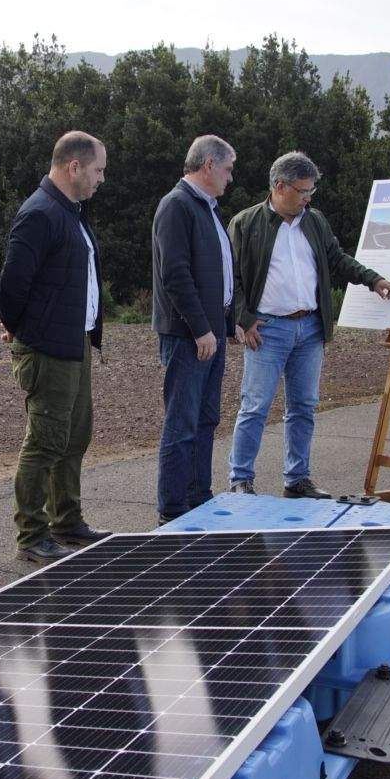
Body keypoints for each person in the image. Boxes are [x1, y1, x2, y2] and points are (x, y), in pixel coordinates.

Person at [227, 151, 390, 497]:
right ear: (280, 186)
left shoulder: (314, 221)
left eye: (311, 192)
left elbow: (337, 259)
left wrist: (373, 280)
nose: (307, 198)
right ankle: (240, 479)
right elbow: (232, 277)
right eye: (303, 191)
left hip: (309, 330)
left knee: (304, 406)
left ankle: (297, 479)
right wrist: (243, 319)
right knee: (256, 406)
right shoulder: (246, 223)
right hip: (267, 330)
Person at [0, 131, 113, 564]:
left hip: (74, 345)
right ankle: (31, 534)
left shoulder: (72, 212)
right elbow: (11, 288)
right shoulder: (40, 213)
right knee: (45, 441)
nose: (102, 179)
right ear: (74, 167)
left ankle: (67, 521)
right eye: (98, 170)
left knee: (73, 437)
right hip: (48, 348)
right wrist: (24, 331)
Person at [151, 134, 238, 524]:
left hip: (211, 331)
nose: (230, 177)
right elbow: (175, 274)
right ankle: (173, 510)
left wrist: (225, 326)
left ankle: (198, 498)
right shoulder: (177, 206)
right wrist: (202, 328)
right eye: (228, 169)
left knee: (206, 419)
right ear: (208, 165)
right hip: (190, 335)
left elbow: (216, 271)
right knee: (182, 422)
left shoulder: (207, 208)